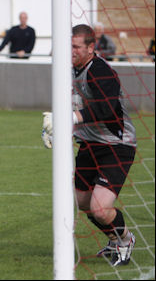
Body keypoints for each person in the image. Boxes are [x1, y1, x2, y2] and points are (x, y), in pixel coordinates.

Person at [41, 24, 137, 267]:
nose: (70, 51)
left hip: (117, 145)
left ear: (91, 47)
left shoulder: (101, 71)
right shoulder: (67, 70)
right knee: (81, 202)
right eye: (68, 46)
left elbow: (107, 109)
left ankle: (126, 240)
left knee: (100, 208)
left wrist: (71, 119)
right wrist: (55, 129)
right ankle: (114, 240)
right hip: (89, 144)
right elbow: (70, 105)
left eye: (75, 46)